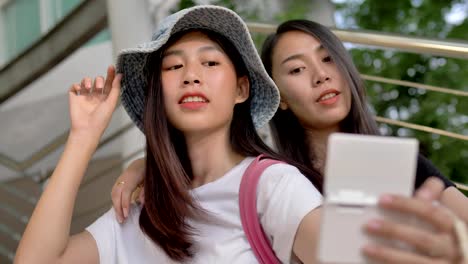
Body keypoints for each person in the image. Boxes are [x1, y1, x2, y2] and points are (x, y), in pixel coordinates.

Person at [113, 18, 468, 263]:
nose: (321, 75)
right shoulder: (273, 180)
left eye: (329, 59)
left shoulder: (392, 164)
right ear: (278, 95)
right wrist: (144, 165)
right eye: (297, 69)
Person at [15, 6, 327, 264]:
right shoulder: (137, 211)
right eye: (174, 66)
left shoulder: (273, 186)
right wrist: (83, 137)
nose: (191, 76)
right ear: (158, 96)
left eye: (210, 62)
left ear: (241, 89)